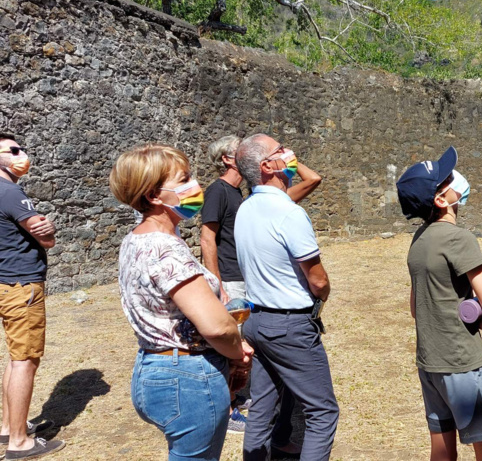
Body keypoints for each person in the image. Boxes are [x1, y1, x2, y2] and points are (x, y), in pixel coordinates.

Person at [109, 144, 253, 460]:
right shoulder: (166, 249)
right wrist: (238, 352)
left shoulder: (136, 239)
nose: (194, 185)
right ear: (153, 196)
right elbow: (215, 327)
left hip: (152, 367)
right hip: (186, 377)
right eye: (184, 179)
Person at [200, 135, 322, 445]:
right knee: (237, 354)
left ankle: (253, 415)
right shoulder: (219, 192)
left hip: (254, 289)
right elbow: (207, 238)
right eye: (280, 150)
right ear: (230, 160)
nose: (287, 153)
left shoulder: (248, 199)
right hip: (235, 282)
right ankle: (231, 408)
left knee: (262, 386)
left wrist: (287, 161)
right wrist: (218, 286)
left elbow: (311, 181)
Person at [396, 146, 482, 461]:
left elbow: (417, 307)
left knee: (442, 451)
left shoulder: (418, 240)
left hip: (430, 363)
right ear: (441, 200)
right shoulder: (461, 239)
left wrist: (471, 303)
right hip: (462, 362)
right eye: (447, 178)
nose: (456, 178)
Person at [234, 134, 338, 461]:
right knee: (322, 412)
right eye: (280, 150)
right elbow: (317, 279)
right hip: (289, 326)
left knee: (262, 409)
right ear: (267, 166)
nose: (289, 153)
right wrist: (322, 295)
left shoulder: (246, 209)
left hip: (256, 321)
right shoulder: (289, 213)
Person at [0, 133, 64, 460]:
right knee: (25, 360)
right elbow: (46, 237)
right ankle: (20, 443)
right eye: (12, 150)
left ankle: (10, 427)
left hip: (6, 283)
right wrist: (49, 227)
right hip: (22, 284)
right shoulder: (11, 193)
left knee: (16, 356)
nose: (20, 154)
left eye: (20, 148)